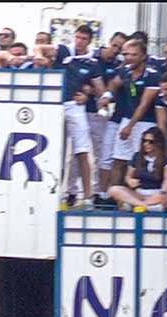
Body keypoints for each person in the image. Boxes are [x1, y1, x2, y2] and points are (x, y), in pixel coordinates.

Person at [36, 24, 103, 209]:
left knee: (82, 151)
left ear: (90, 41)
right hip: (55, 105)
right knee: (50, 148)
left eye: (84, 39)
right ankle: (50, 192)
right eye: (78, 37)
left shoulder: (92, 62)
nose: (80, 42)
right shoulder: (63, 50)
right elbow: (39, 48)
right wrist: (39, 57)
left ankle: (88, 196)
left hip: (75, 106)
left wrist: (93, 95)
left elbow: (100, 88)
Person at [100, 40, 161, 197]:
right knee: (119, 159)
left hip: (145, 122)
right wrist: (107, 96)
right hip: (127, 120)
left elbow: (144, 105)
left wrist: (130, 126)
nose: (129, 58)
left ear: (143, 56)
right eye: (126, 54)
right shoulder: (125, 71)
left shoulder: (152, 75)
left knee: (140, 160)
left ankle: (138, 195)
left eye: (134, 55)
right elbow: (114, 84)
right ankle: (114, 196)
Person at [91, 32, 128, 207]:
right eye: (115, 45)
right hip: (108, 116)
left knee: (118, 158)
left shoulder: (121, 66)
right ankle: (101, 193)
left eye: (121, 48)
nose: (117, 50)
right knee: (104, 156)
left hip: (120, 117)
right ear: (109, 42)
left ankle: (113, 194)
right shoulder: (93, 57)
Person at [108, 126, 167, 211]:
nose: (146, 144)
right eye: (144, 141)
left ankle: (135, 206)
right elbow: (128, 176)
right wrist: (129, 180)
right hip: (139, 193)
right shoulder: (137, 156)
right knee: (114, 189)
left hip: (157, 192)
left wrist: (163, 192)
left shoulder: (166, 157)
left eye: (151, 142)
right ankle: (147, 207)